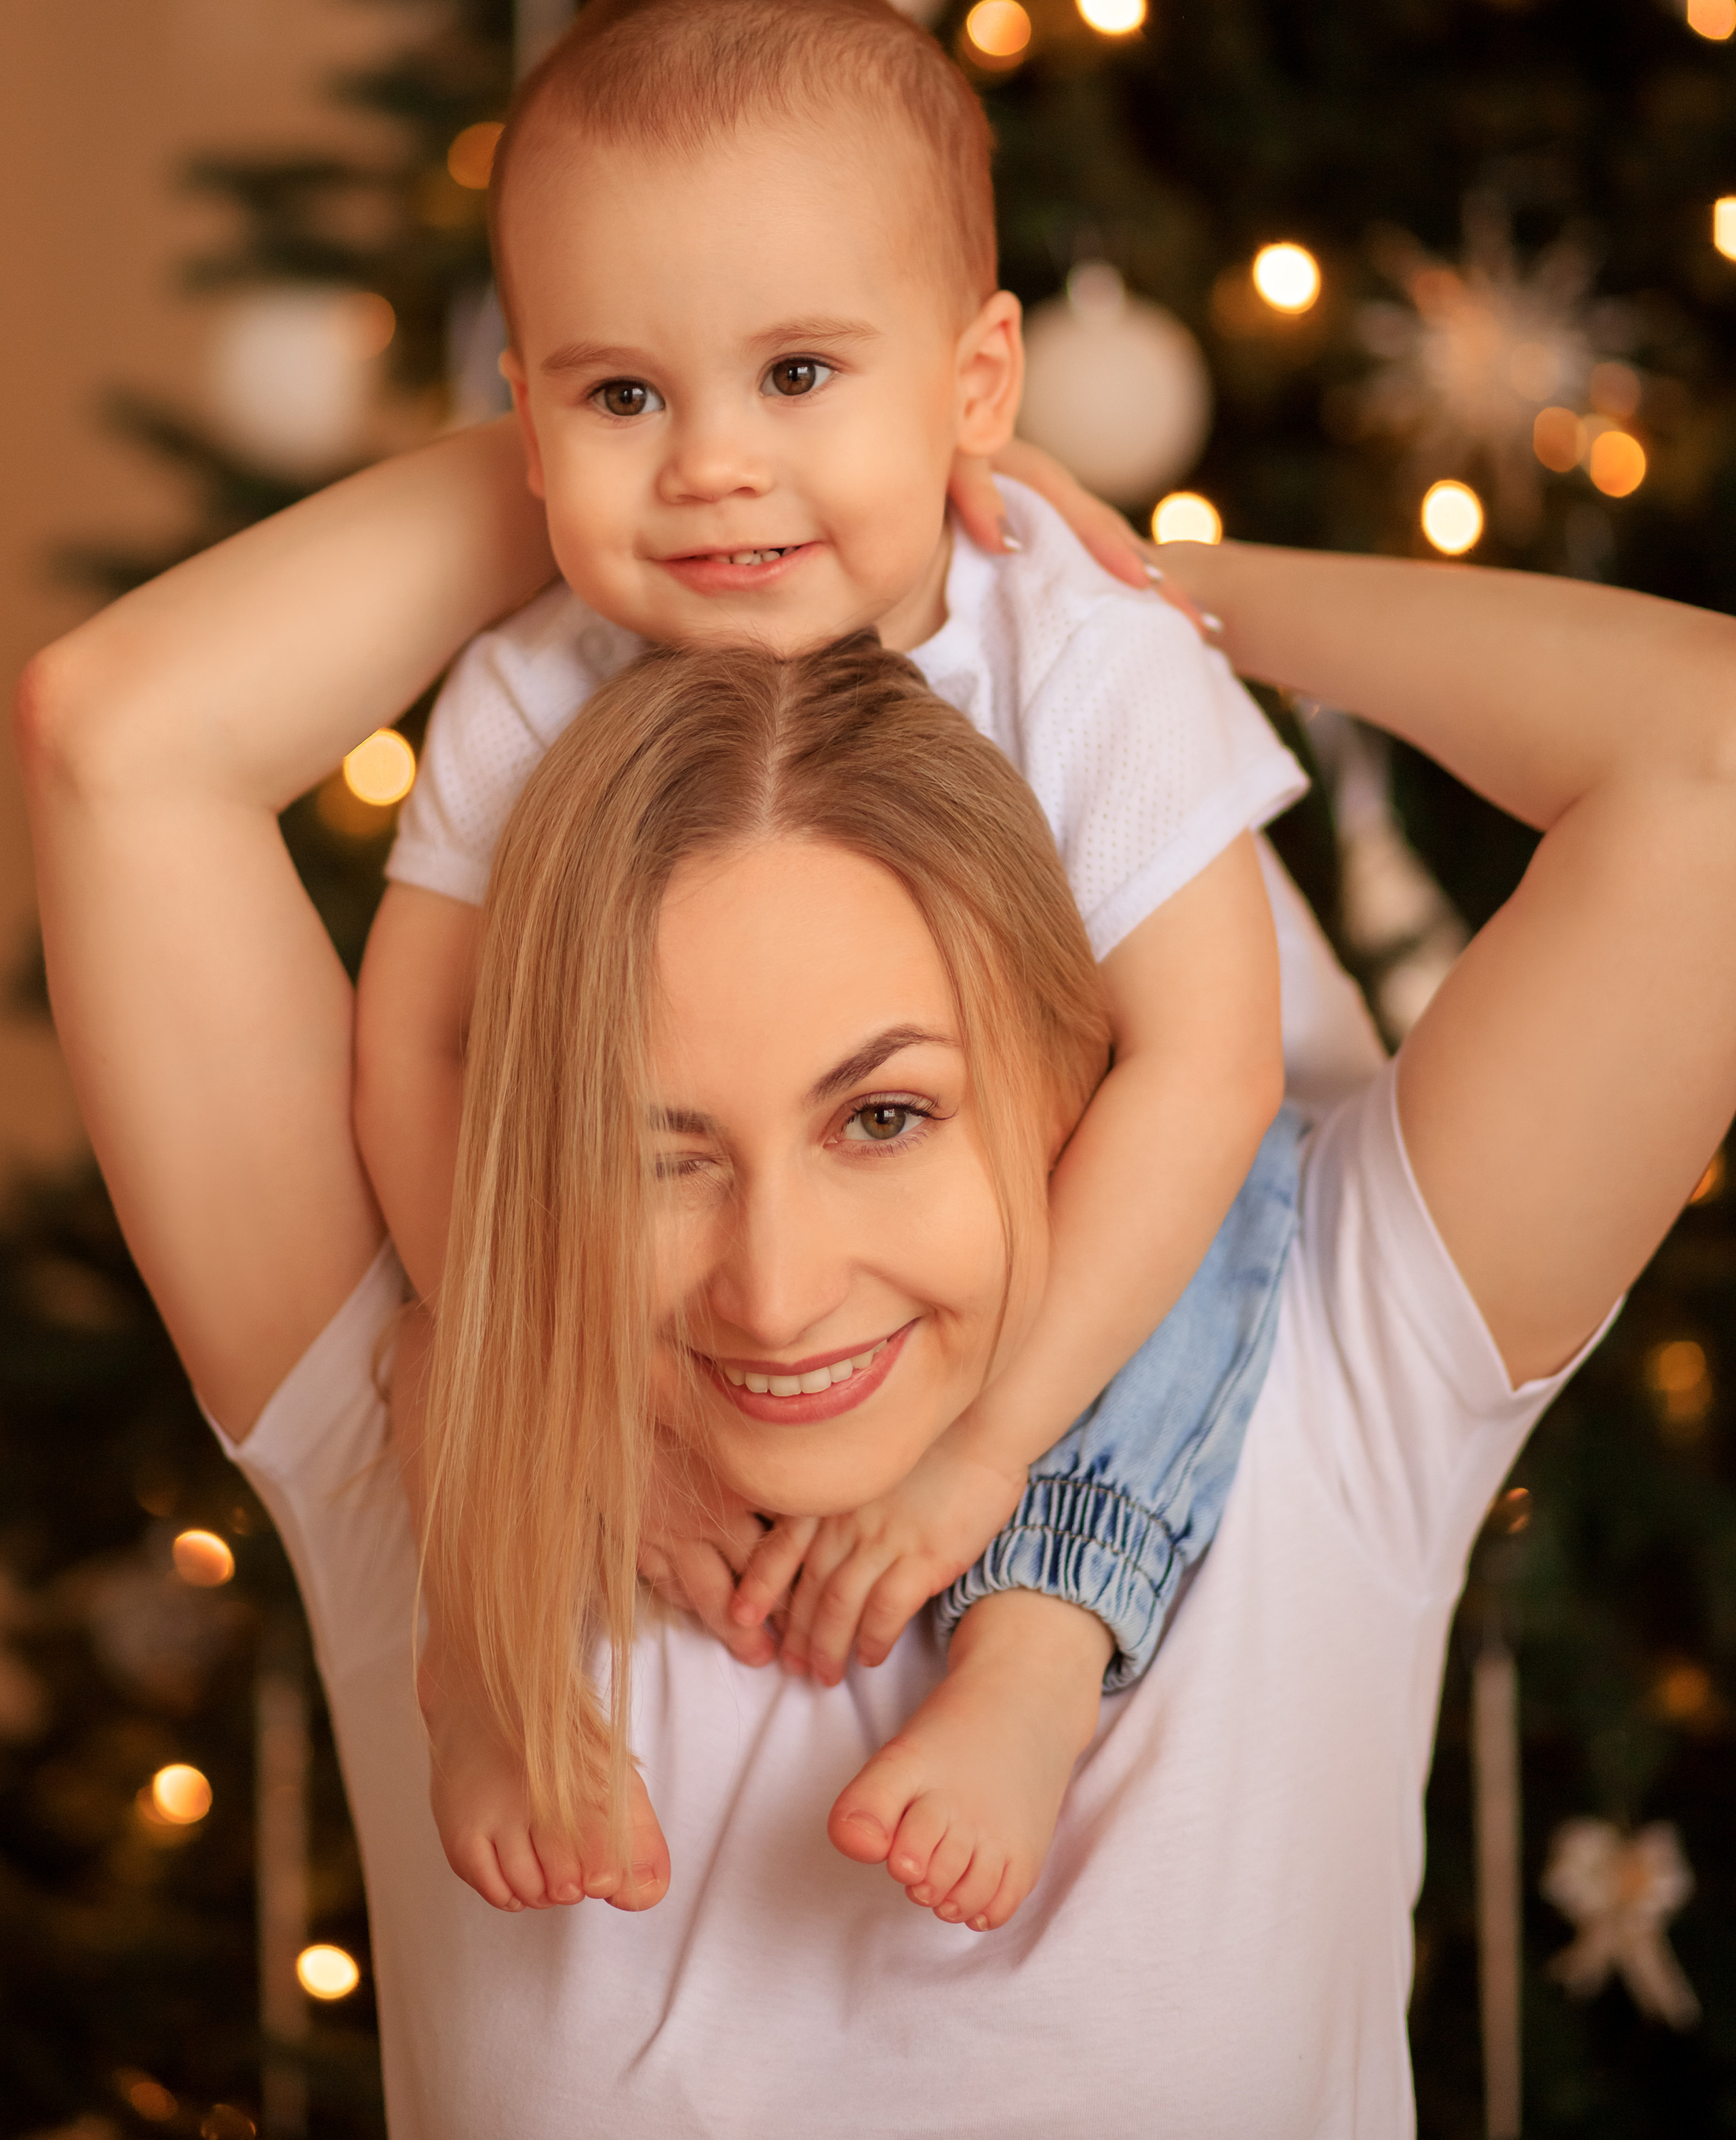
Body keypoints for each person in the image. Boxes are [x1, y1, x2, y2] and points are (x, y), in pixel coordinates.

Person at [22, 425, 1736, 2137]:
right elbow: (113, 735)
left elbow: (1704, 749)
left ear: (1073, 1083)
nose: (773, 1292)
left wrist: (1108, 580)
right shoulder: (450, 1423)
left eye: (887, 1114)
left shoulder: (1307, 1348)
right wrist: (687, 443)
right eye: (652, 1150)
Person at [353, 0, 1369, 1919]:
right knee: (432, 1327)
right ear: (529, 422)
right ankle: (487, 1655)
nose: (714, 463)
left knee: (1226, 1184)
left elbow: (1212, 1062)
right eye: (625, 393)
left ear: (975, 385)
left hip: (1126, 1205)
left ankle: (1042, 1646)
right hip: (753, 1245)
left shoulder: (1074, 652)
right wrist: (560, 1392)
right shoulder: (532, 682)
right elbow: (420, 1055)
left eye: (801, 376)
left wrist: (979, 1455)